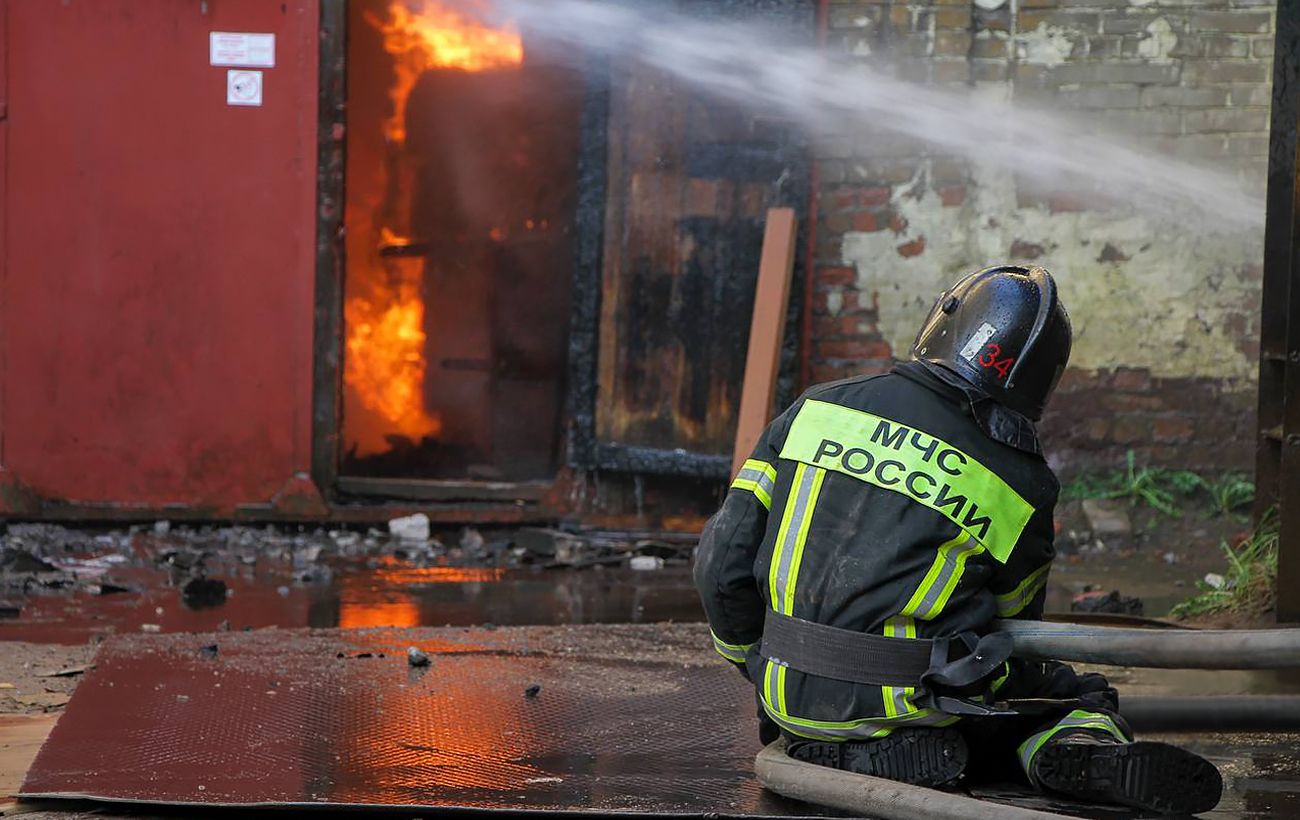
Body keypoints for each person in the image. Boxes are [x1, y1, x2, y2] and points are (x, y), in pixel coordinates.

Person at [693, 265, 1222, 815]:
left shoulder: (816, 409)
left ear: (946, 322)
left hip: (785, 696)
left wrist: (757, 664)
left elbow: (720, 565)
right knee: (1069, 692)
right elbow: (1015, 632)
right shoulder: (1023, 482)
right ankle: (1065, 747)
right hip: (912, 709)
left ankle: (842, 741)